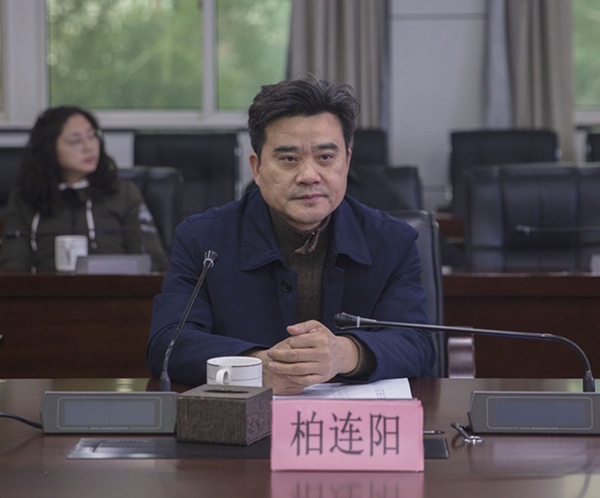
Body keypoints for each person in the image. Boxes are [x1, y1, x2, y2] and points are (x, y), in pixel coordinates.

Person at [147, 78, 435, 395]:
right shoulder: (203, 239)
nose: (309, 176)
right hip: (243, 420)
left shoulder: (392, 241)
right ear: (257, 168)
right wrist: (258, 367)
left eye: (325, 157)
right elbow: (168, 343)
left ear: (347, 162)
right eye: (289, 159)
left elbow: (417, 344)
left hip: (350, 421)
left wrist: (344, 354)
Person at [0, 105, 169, 273]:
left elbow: (153, 263)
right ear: (48, 148)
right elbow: (12, 268)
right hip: (47, 289)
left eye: (92, 136)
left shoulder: (123, 192)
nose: (89, 147)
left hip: (115, 288)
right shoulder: (26, 197)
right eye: (76, 141)